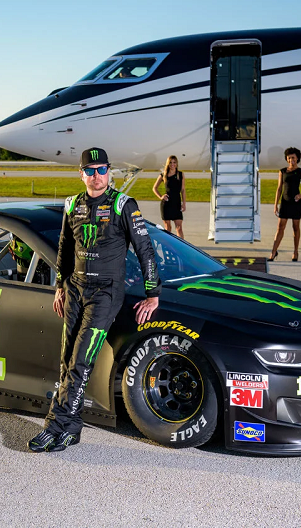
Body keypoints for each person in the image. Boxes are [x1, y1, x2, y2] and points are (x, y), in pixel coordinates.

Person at [28, 147, 161, 452]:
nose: (97, 176)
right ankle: (71, 429)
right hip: (75, 289)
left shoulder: (123, 205)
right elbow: (63, 248)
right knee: (66, 361)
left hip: (106, 293)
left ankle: (54, 425)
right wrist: (60, 286)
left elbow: (145, 251)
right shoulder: (72, 204)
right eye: (91, 171)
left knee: (80, 362)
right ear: (81, 174)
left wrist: (154, 294)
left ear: (110, 172)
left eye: (102, 170)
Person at [270, 147, 301, 262]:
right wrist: (275, 204)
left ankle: (295, 252)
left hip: (296, 204)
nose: (291, 160)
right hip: (285, 203)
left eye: (293, 157)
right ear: (287, 159)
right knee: (280, 228)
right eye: (289, 158)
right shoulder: (282, 171)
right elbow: (279, 188)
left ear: (297, 158)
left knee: (295, 228)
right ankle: (273, 252)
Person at [152, 155, 186, 238]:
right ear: (168, 164)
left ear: (177, 164)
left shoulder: (180, 174)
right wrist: (161, 196)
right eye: (170, 162)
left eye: (174, 162)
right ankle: (168, 248)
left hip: (177, 203)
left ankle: (181, 248)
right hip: (166, 204)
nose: (172, 164)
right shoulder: (163, 175)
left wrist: (184, 203)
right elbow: (154, 188)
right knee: (168, 228)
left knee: (179, 228)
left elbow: (183, 190)